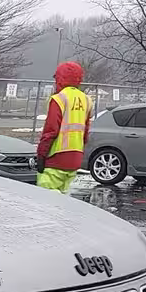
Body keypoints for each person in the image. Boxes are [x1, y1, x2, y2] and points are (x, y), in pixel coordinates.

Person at [36, 61, 91, 193]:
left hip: (56, 156)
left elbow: (50, 131)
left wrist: (41, 155)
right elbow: (85, 133)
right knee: (62, 199)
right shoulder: (86, 100)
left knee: (44, 197)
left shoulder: (59, 99)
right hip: (75, 157)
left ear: (60, 78)